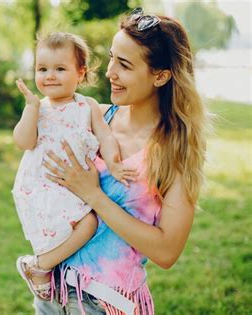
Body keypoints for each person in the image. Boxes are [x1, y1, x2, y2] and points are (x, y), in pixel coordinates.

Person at [36, 8, 209, 315]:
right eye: (113, 58)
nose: (110, 72)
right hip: (53, 291)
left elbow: (167, 252)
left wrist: (94, 196)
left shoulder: (174, 153)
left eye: (124, 65)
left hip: (107, 303)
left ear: (160, 75)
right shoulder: (95, 117)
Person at [12, 32, 137, 301]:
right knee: (86, 223)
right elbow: (23, 142)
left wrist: (114, 164)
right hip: (42, 186)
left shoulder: (87, 105)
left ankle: (40, 266)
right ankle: (42, 267)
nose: (50, 76)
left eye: (60, 69)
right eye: (42, 69)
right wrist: (31, 109)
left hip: (72, 187)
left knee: (85, 224)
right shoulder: (38, 108)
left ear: (80, 73)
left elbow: (105, 136)